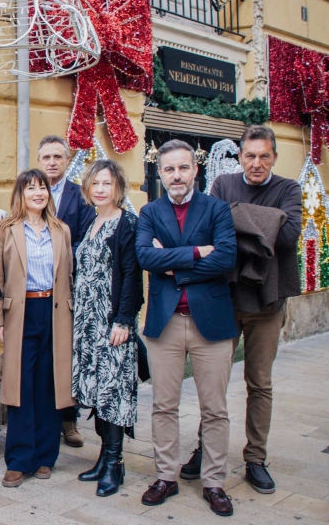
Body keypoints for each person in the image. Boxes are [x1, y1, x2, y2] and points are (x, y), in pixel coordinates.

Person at [181, 126, 301, 494]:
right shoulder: (222, 185)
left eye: (264, 156)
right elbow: (209, 231)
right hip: (226, 301)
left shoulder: (289, 189)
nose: (256, 163)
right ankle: (207, 448)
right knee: (213, 382)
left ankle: (255, 459)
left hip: (267, 303)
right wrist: (265, 218)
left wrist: (236, 217)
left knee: (259, 383)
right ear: (240, 157)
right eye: (250, 156)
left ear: (274, 158)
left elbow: (288, 235)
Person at [136, 139, 237, 517]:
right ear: (160, 174)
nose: (176, 176)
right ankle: (166, 476)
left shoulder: (217, 209)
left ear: (195, 169)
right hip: (165, 324)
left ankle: (213, 482)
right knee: (164, 406)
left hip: (210, 323)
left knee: (215, 409)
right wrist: (198, 253)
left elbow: (226, 257)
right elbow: (145, 255)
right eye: (168, 169)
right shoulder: (149, 212)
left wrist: (172, 263)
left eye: (182, 168)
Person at [0, 169, 75, 487]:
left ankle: (45, 457)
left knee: (48, 384)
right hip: (20, 314)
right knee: (20, 385)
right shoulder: (6, 229)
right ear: (21, 194)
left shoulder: (61, 230)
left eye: (42, 187)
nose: (38, 193)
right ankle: (18, 459)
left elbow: (68, 277)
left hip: (55, 312)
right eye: (31, 188)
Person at [71, 160, 143, 497]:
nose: (101, 189)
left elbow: (132, 275)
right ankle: (103, 458)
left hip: (112, 323)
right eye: (95, 183)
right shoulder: (93, 221)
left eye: (107, 183)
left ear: (118, 188)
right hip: (87, 322)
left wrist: (124, 320)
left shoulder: (127, 222)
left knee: (113, 393)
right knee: (98, 391)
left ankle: (115, 464)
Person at [38, 135, 94, 448]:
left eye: (58, 157)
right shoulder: (28, 192)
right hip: (35, 289)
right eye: (46, 157)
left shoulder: (79, 196)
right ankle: (43, 415)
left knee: (67, 354)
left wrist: (59, 259)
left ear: (67, 159)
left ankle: (68, 420)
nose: (52, 162)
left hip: (68, 289)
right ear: (39, 160)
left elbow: (84, 241)